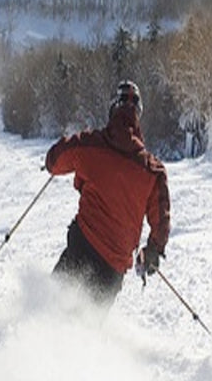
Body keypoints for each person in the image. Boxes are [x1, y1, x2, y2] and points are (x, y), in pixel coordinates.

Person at [45, 80, 170, 305]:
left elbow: (53, 161)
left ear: (113, 108)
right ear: (138, 115)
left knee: (48, 309)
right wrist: (152, 252)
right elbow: (160, 224)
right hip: (112, 269)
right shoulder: (152, 171)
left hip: (81, 248)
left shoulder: (92, 145)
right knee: (86, 330)